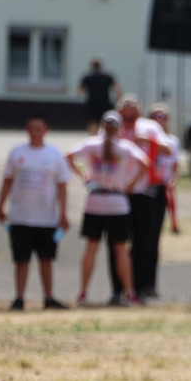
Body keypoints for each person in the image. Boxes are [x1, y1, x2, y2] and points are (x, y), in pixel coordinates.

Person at [67, 111, 149, 306]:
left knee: (91, 248)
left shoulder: (92, 144)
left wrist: (83, 175)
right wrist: (130, 184)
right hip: (117, 202)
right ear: (119, 128)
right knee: (121, 250)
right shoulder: (124, 146)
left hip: (95, 201)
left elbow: (68, 155)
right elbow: (145, 163)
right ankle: (129, 293)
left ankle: (83, 293)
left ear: (102, 126)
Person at [0, 114, 71, 311]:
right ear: (27, 130)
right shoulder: (17, 152)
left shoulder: (55, 154)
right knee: (21, 259)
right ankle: (19, 297)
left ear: (46, 131)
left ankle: (49, 297)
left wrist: (63, 213)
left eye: (39, 128)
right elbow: (8, 180)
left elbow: (62, 186)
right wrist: (0, 205)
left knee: (46, 258)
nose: (35, 132)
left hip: (46, 218)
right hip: (20, 216)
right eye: (32, 128)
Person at [111, 95, 173, 302]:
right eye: (125, 116)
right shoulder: (112, 126)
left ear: (139, 113)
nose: (128, 121)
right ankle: (118, 289)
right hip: (118, 192)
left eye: (132, 116)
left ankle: (138, 287)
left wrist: (148, 141)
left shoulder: (150, 127)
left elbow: (168, 150)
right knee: (117, 242)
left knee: (143, 242)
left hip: (143, 192)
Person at [147, 103, 182, 295]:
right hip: (143, 189)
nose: (159, 120)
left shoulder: (172, 141)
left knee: (154, 239)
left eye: (163, 117)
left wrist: (172, 180)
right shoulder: (144, 138)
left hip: (161, 188)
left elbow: (174, 168)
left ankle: (151, 284)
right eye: (155, 116)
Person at [77, 57, 122, 134]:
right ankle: (103, 137)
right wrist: (117, 100)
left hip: (92, 103)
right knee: (105, 121)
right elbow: (117, 90)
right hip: (105, 103)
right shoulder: (107, 76)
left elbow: (80, 91)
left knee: (92, 122)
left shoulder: (88, 77)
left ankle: (93, 137)